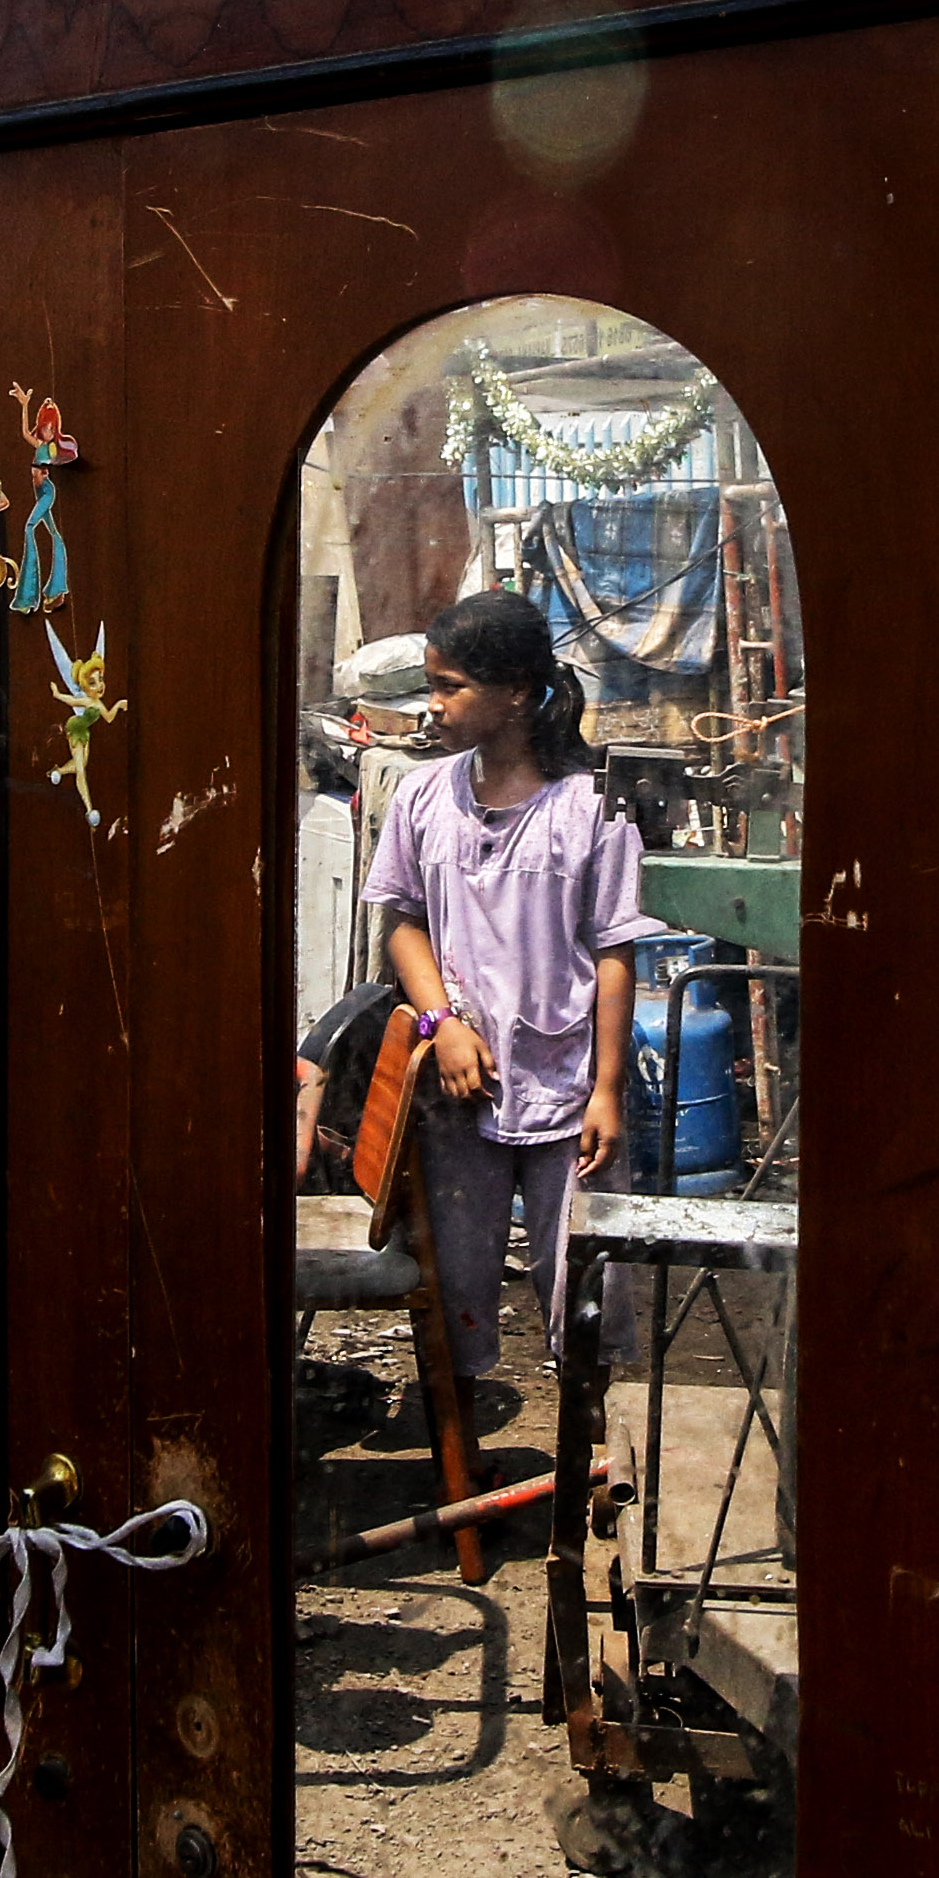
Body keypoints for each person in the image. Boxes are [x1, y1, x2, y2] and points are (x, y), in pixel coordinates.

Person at [361, 589, 660, 1421]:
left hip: (567, 1088)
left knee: (583, 1280)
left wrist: (605, 1090)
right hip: (462, 1090)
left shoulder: (589, 809)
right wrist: (442, 1024)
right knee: (454, 1272)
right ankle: (461, 1457)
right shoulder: (425, 799)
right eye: (433, 682)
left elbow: (612, 954)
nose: (433, 703)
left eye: (450, 685)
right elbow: (403, 925)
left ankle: (593, 1458)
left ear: (517, 695)